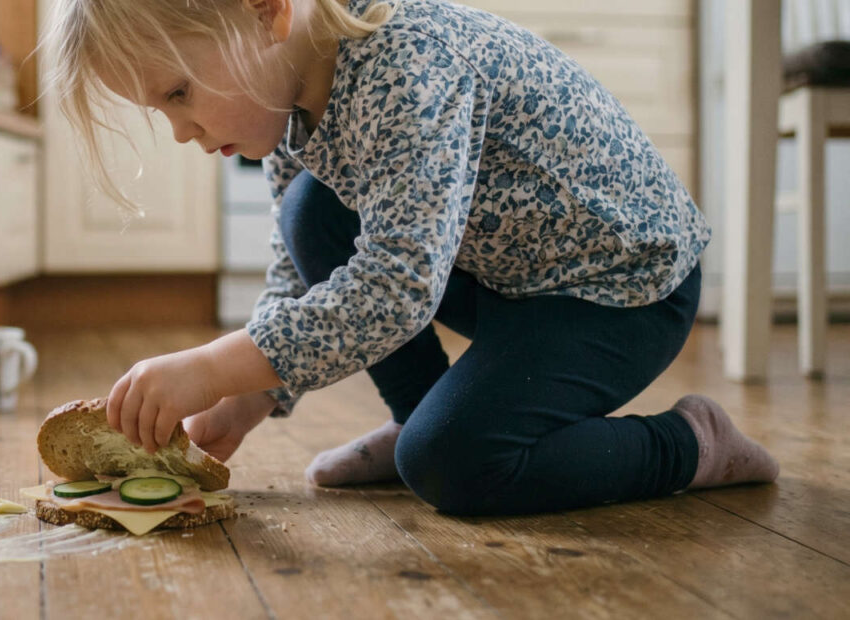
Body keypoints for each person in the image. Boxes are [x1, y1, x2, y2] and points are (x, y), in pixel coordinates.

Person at [42, 0, 780, 516]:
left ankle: (690, 444)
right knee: (312, 211)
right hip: (511, 277)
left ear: (264, 9)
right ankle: (422, 414)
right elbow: (298, 267)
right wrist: (255, 394)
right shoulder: (289, 105)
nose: (179, 131)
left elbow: (395, 287)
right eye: (161, 108)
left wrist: (212, 367)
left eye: (178, 92)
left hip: (622, 287)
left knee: (454, 468)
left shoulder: (407, 60)